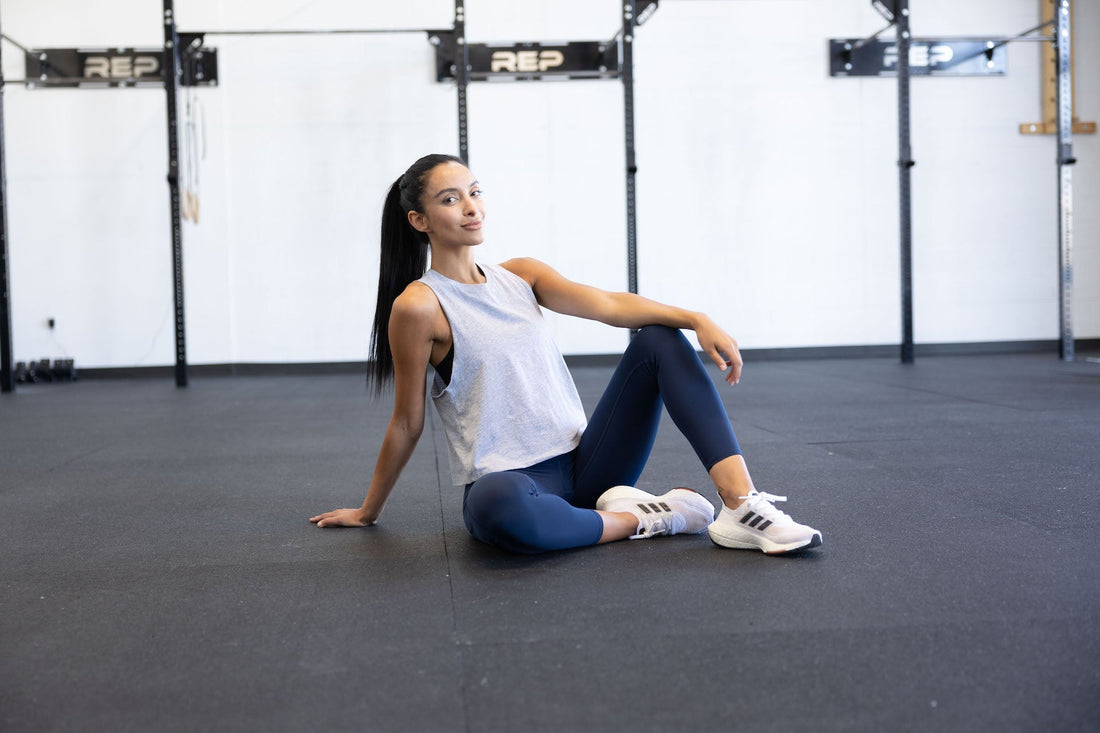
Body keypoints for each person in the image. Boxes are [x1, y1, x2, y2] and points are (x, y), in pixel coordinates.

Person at [310, 153, 822, 555]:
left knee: (659, 339)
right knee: (493, 510)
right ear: (419, 220)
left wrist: (694, 318)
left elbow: (608, 305)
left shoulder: (522, 275)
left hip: (587, 462)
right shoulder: (419, 307)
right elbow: (406, 422)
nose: (471, 207)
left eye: (475, 192)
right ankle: (648, 518)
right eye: (451, 199)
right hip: (514, 482)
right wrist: (367, 511)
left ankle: (740, 506)